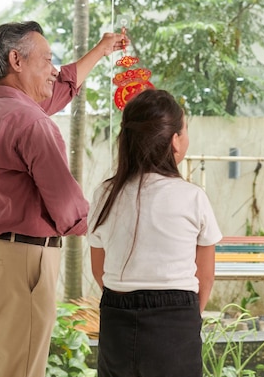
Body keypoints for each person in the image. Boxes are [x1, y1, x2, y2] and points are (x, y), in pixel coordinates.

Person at [0, 20, 127, 377]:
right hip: (22, 261)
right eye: (47, 59)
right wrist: (112, 225)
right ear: (16, 61)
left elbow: (56, 89)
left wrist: (101, 50)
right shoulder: (33, 124)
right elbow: (66, 204)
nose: (54, 70)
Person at [87, 88, 221, 377]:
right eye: (184, 131)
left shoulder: (105, 195)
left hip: (117, 317)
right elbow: (205, 276)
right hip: (176, 320)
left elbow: (99, 270)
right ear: (175, 141)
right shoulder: (192, 196)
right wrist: (185, 319)